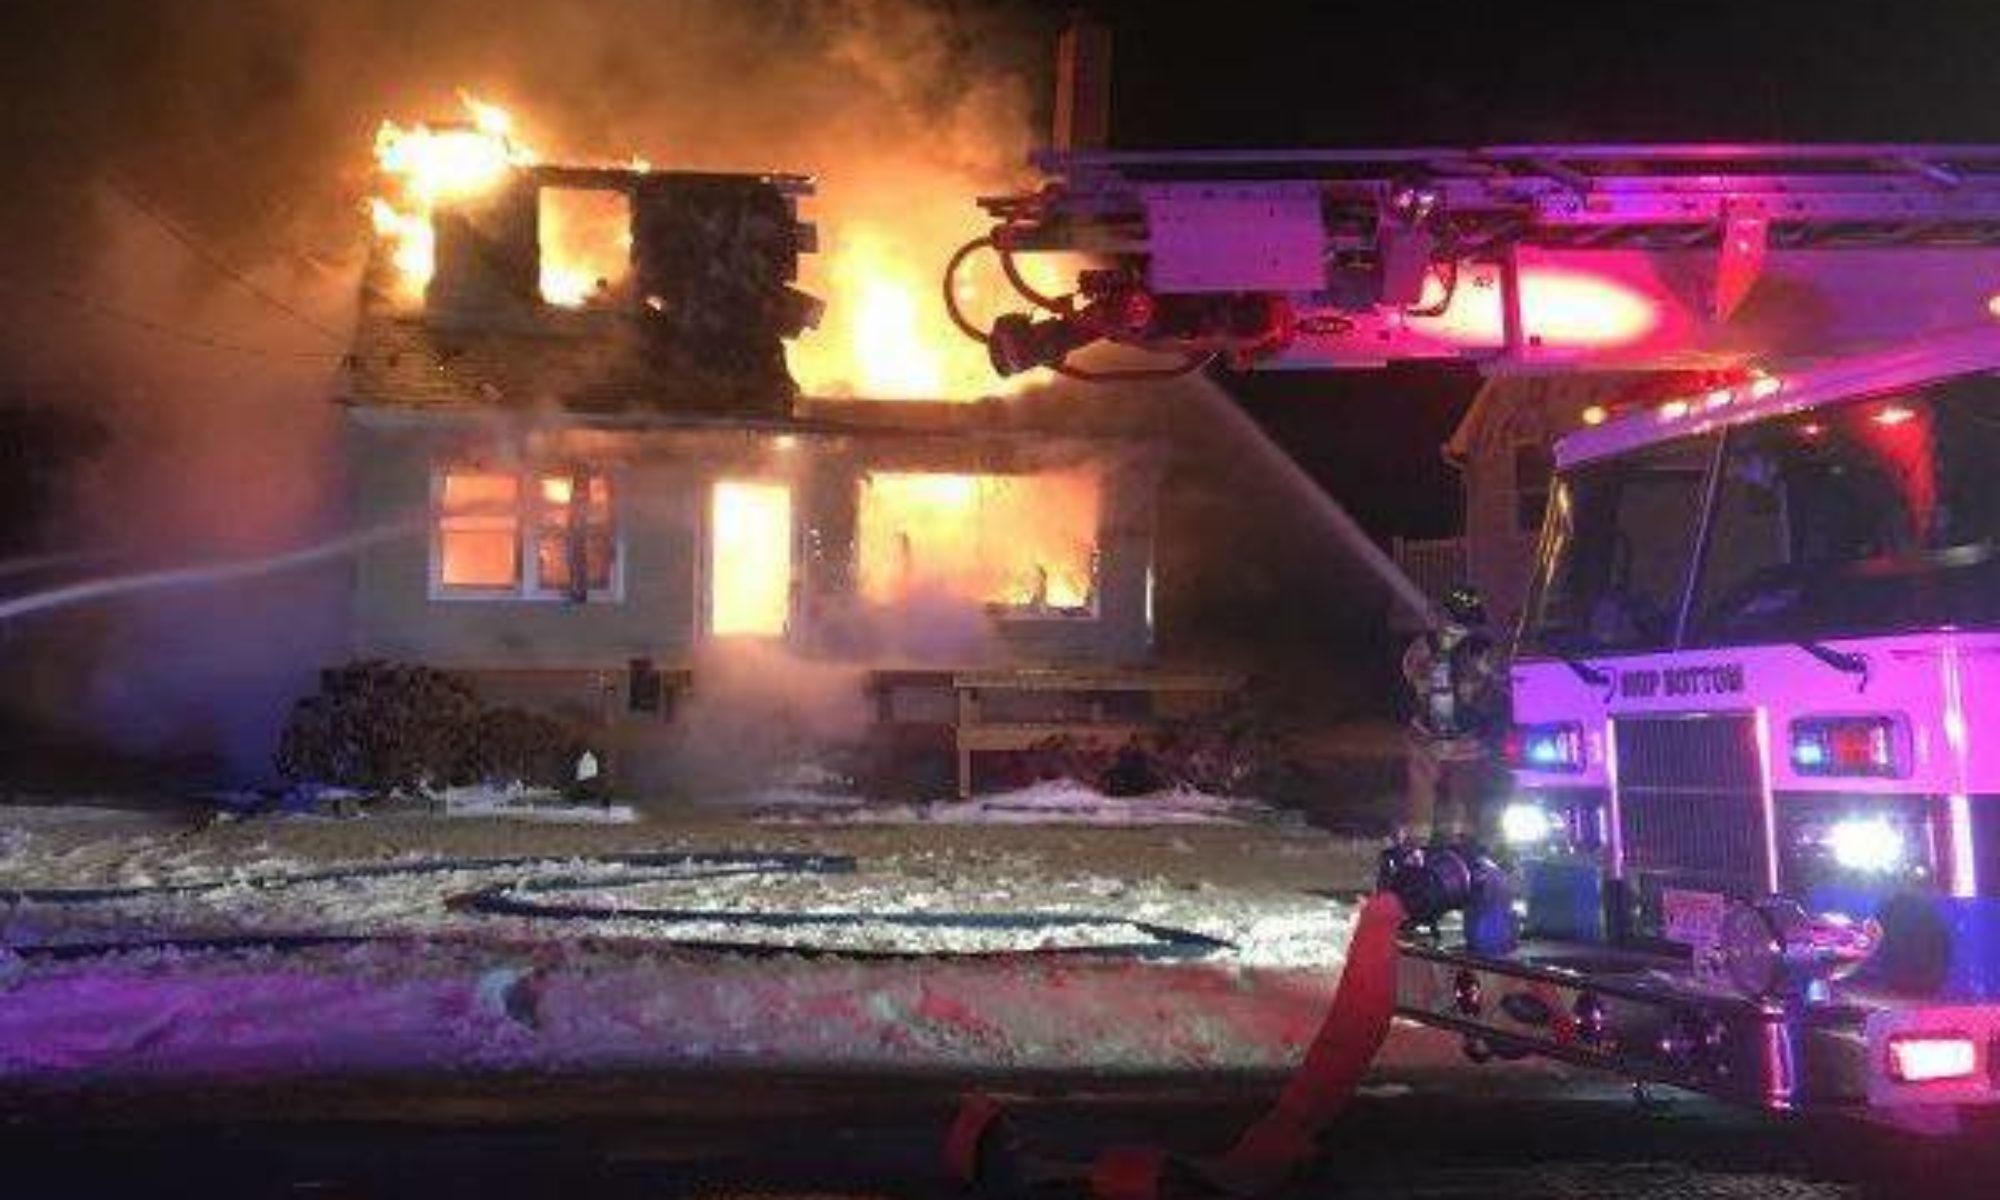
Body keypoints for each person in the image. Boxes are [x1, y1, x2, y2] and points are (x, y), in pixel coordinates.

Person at [1401, 584, 1505, 843]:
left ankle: (1419, 842)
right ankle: (1462, 840)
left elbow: (1410, 673)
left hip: (1427, 733)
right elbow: (1497, 681)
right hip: (1466, 736)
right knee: (1464, 790)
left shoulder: (1425, 644)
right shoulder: (1482, 647)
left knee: (1422, 790)